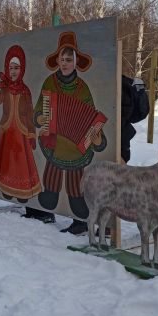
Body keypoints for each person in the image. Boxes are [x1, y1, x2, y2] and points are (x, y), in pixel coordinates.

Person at [32, 31, 107, 235]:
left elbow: (92, 119)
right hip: (54, 142)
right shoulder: (50, 82)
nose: (64, 63)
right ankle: (45, 211)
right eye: (62, 59)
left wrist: (97, 138)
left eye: (68, 60)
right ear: (57, 60)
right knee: (50, 186)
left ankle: (81, 221)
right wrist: (40, 118)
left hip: (75, 147)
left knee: (75, 190)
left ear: (75, 63)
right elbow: (38, 110)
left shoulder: (82, 88)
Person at [0, 45, 41, 202]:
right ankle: (7, 189)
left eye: (17, 68)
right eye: (11, 68)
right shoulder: (5, 88)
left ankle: (22, 191)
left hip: (21, 132)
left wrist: (31, 133)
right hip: (7, 130)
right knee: (7, 160)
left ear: (22, 69)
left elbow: (30, 113)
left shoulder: (25, 91)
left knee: (21, 162)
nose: (13, 71)